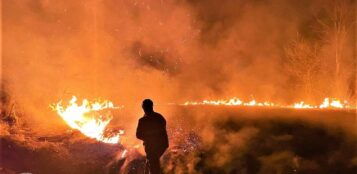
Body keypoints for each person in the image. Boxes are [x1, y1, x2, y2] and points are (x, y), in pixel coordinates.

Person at [136, 99, 169, 174]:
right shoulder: (159, 117)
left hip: (152, 147)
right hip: (162, 145)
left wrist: (148, 137)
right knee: (151, 163)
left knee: (153, 165)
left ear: (143, 107)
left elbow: (138, 135)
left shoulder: (143, 120)